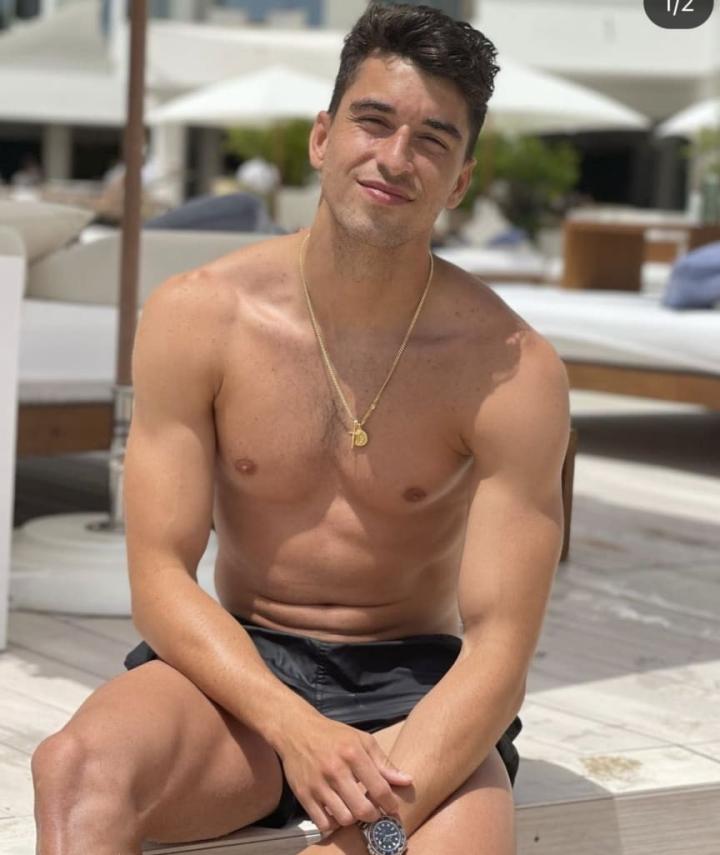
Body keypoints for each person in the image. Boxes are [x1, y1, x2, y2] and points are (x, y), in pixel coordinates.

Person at [31, 4, 570, 855]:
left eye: (433, 140)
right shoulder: (198, 316)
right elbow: (160, 576)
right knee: (74, 771)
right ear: (323, 137)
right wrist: (294, 727)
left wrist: (370, 823)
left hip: (416, 685)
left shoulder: (512, 369)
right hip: (241, 674)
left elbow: (501, 650)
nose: (395, 157)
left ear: (461, 181)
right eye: (373, 121)